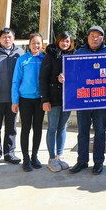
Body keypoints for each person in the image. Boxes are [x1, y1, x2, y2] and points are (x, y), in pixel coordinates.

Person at [70, 25, 106, 175]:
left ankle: (98, 162)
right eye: (92, 35)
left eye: (98, 36)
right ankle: (82, 161)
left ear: (103, 38)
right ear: (87, 37)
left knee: (100, 132)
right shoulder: (79, 52)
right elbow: (72, 74)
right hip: (83, 100)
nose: (94, 38)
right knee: (82, 132)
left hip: (101, 101)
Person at [0, 27, 24, 168]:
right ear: (0, 38)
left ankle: (10, 153)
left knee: (11, 127)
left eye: (9, 37)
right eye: (4, 37)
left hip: (14, 99)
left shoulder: (20, 53)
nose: (7, 39)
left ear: (14, 38)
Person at [40, 31, 75, 172]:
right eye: (63, 41)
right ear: (58, 41)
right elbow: (43, 79)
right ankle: (52, 158)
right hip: (53, 98)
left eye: (68, 41)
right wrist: (45, 99)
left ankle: (60, 155)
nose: (65, 44)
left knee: (62, 127)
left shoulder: (73, 56)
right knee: (52, 128)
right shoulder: (50, 56)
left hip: (68, 99)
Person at [11, 32, 45, 172]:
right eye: (33, 43)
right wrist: (15, 101)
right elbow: (16, 80)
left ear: (41, 45)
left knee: (38, 129)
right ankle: (25, 158)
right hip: (25, 99)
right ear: (29, 44)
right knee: (25, 129)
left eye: (38, 43)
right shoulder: (22, 60)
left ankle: (34, 156)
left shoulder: (44, 59)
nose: (36, 45)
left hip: (40, 100)